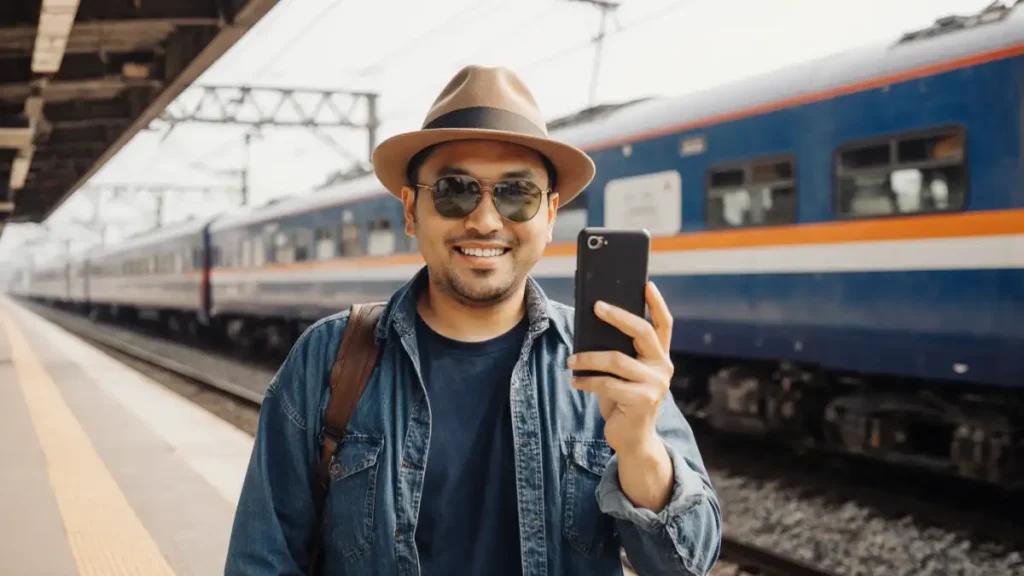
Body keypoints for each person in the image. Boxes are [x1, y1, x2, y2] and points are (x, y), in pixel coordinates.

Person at [225, 65, 721, 576]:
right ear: (411, 209)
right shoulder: (328, 358)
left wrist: (639, 447)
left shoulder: (610, 360)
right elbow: (260, 562)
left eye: (517, 194)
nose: (485, 219)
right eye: (454, 190)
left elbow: (684, 566)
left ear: (550, 214)